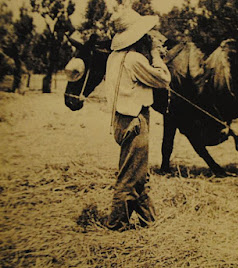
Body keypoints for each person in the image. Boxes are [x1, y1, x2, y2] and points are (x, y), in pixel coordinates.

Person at [103, 8, 171, 231]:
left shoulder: (114, 57)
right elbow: (162, 79)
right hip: (136, 122)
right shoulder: (134, 60)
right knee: (128, 180)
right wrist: (155, 55)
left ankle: (149, 222)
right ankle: (115, 226)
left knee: (139, 176)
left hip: (120, 121)